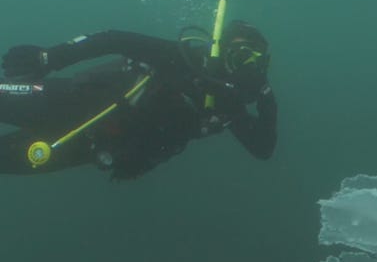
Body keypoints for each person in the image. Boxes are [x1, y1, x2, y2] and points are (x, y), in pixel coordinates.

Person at [0, 20, 277, 180]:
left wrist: (267, 99)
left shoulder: (229, 106)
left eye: (256, 61)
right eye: (241, 57)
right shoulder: (182, 59)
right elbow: (114, 39)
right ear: (219, 50)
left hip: (91, 146)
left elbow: (263, 149)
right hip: (72, 100)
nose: (247, 67)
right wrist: (50, 58)